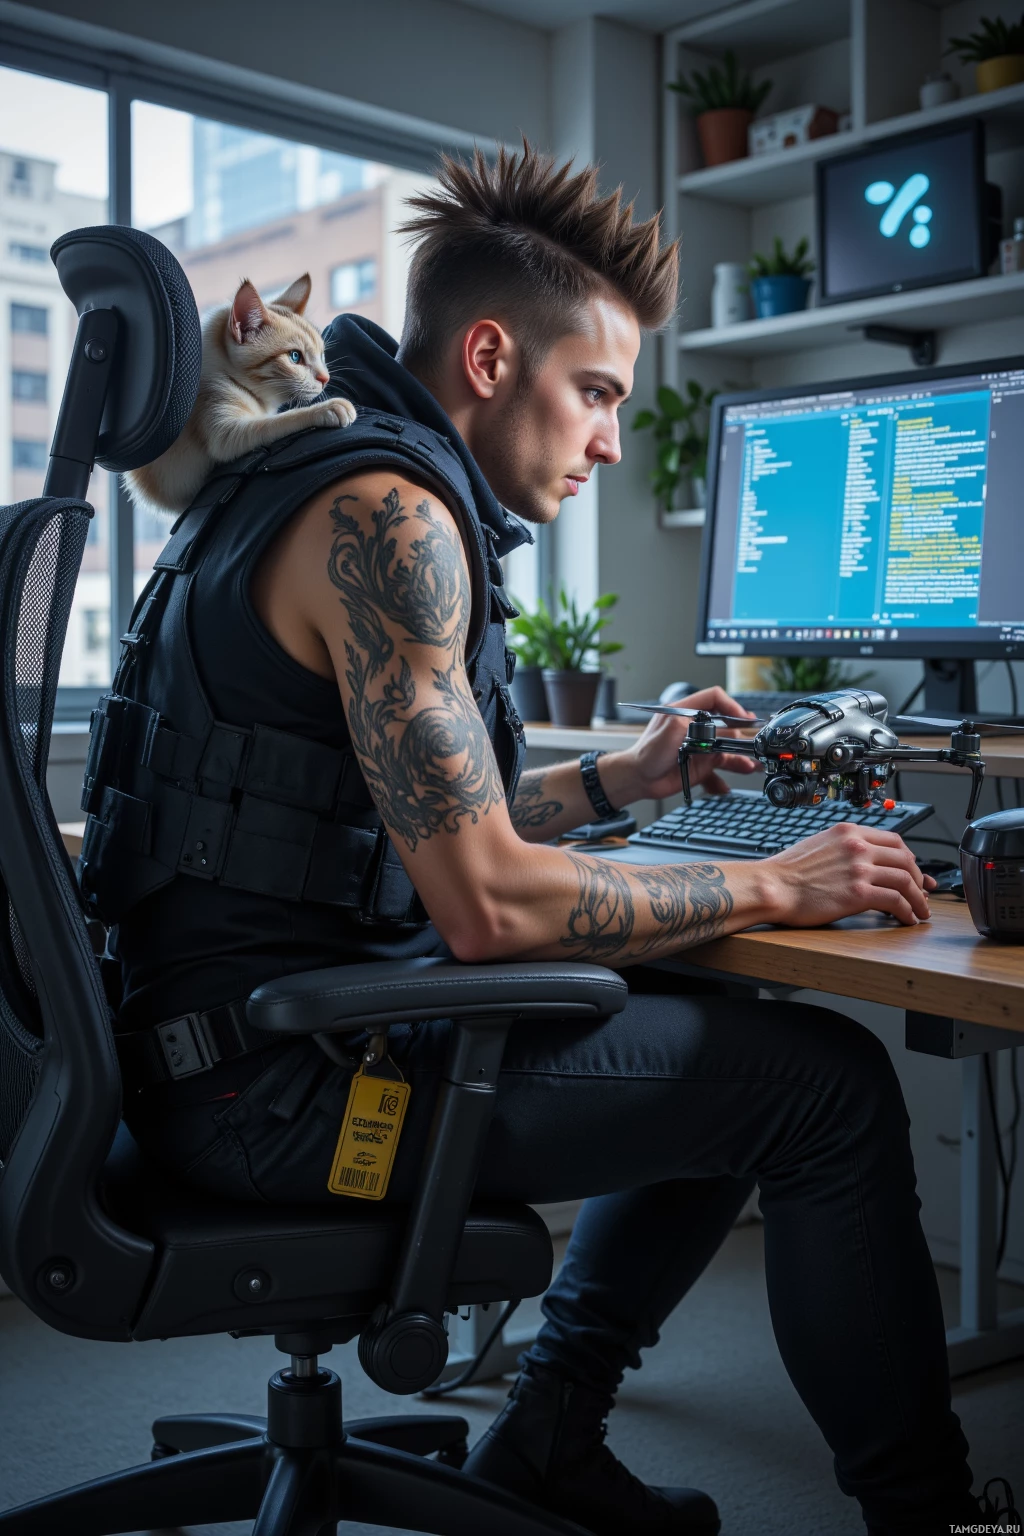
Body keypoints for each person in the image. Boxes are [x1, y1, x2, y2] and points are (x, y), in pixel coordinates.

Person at [89, 142, 1004, 1536]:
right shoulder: (391, 519)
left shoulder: (297, 484)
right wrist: (777, 874)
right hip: (284, 1099)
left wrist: (621, 785)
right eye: (597, 394)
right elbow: (488, 914)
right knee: (823, 1091)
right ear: (492, 355)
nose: (610, 442)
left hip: (218, 1052)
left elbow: (395, 832)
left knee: (707, 1002)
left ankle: (549, 1441)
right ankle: (929, 1518)